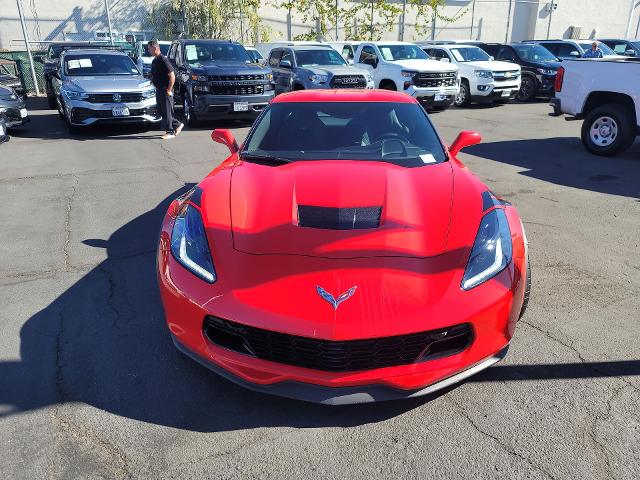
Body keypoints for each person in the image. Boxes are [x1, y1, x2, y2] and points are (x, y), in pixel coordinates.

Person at [147, 40, 183, 139]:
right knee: (161, 110)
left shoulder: (163, 60)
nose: (148, 50)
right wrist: (151, 81)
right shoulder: (155, 60)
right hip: (159, 89)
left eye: (149, 48)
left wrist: (169, 89)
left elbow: (172, 75)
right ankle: (178, 124)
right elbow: (155, 74)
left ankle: (170, 131)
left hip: (165, 90)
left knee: (167, 111)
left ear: (155, 48)